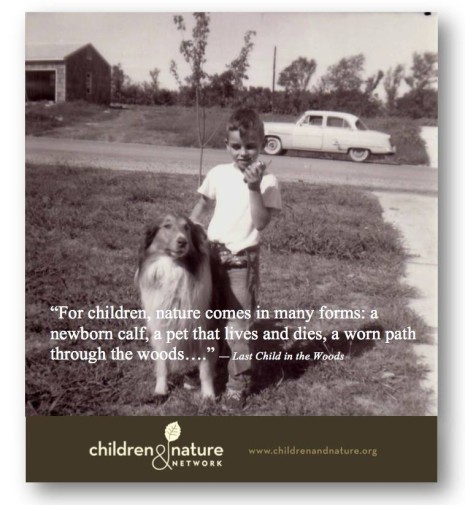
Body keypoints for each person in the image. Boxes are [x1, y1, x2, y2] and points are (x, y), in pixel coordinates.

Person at [190, 108, 282, 409]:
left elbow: (261, 223)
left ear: (263, 144)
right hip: (211, 258)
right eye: (236, 146)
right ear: (227, 145)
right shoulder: (218, 173)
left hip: (242, 262)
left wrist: (253, 187)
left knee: (237, 326)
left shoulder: (269, 182)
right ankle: (208, 369)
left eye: (251, 146)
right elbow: (202, 205)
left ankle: (236, 383)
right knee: (207, 319)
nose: (243, 153)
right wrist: (188, 232)